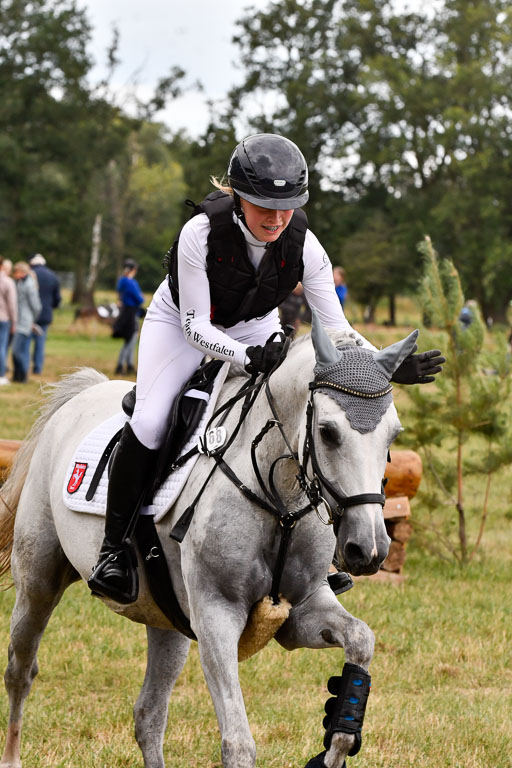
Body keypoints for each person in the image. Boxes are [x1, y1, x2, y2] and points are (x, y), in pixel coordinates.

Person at [88, 133, 445, 604]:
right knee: (153, 419)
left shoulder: (306, 246)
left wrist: (385, 365)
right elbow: (197, 326)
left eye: (288, 206)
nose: (277, 219)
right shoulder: (199, 234)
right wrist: (244, 357)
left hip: (255, 327)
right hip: (179, 326)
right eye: (264, 206)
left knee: (290, 417)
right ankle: (114, 550)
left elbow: (336, 328)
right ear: (237, 197)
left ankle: (311, 557)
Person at [28, 254, 61, 375]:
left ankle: (24, 366)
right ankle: (37, 368)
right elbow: (57, 298)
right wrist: (52, 307)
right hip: (45, 314)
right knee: (40, 343)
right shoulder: (52, 275)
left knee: (26, 342)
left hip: (29, 314)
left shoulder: (30, 274)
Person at [113, 259, 145, 375]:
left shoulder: (121, 281)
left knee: (128, 340)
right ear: (133, 270)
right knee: (130, 340)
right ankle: (122, 365)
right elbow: (140, 299)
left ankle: (128, 364)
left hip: (124, 312)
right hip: (132, 314)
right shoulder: (131, 283)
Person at [11, 262, 42, 382]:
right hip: (19, 321)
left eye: (16, 271)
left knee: (17, 351)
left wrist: (31, 320)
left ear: (22, 272)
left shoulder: (29, 285)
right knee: (18, 351)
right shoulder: (20, 283)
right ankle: (17, 376)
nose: (14, 274)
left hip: (25, 322)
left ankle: (23, 375)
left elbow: (36, 306)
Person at [0, 256, 17, 386]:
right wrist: (14, 321)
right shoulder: (7, 281)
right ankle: (1, 375)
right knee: (2, 347)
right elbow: (12, 304)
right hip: (3, 318)